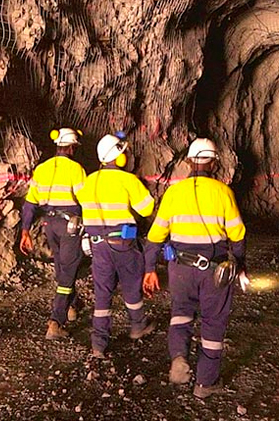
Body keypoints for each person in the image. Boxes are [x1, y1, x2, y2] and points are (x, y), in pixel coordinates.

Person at [142, 138, 248, 399]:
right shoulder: (223, 192)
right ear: (213, 163)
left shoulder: (173, 192)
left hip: (180, 267)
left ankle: (179, 358)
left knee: (180, 313)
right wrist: (241, 265)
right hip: (214, 270)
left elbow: (155, 235)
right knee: (213, 322)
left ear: (188, 162)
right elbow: (238, 235)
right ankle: (205, 383)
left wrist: (149, 268)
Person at [76, 132, 156, 358]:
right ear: (119, 156)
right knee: (131, 284)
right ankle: (138, 326)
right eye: (125, 152)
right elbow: (147, 209)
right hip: (123, 243)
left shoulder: (88, 181)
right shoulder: (128, 180)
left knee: (102, 293)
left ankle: (98, 344)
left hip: (97, 246)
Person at [19, 127, 87, 340]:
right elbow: (86, 201)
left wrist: (25, 230)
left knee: (62, 266)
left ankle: (71, 305)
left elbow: (30, 203)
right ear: (72, 147)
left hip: (50, 224)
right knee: (68, 270)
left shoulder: (42, 169)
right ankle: (56, 322)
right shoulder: (76, 169)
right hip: (70, 225)